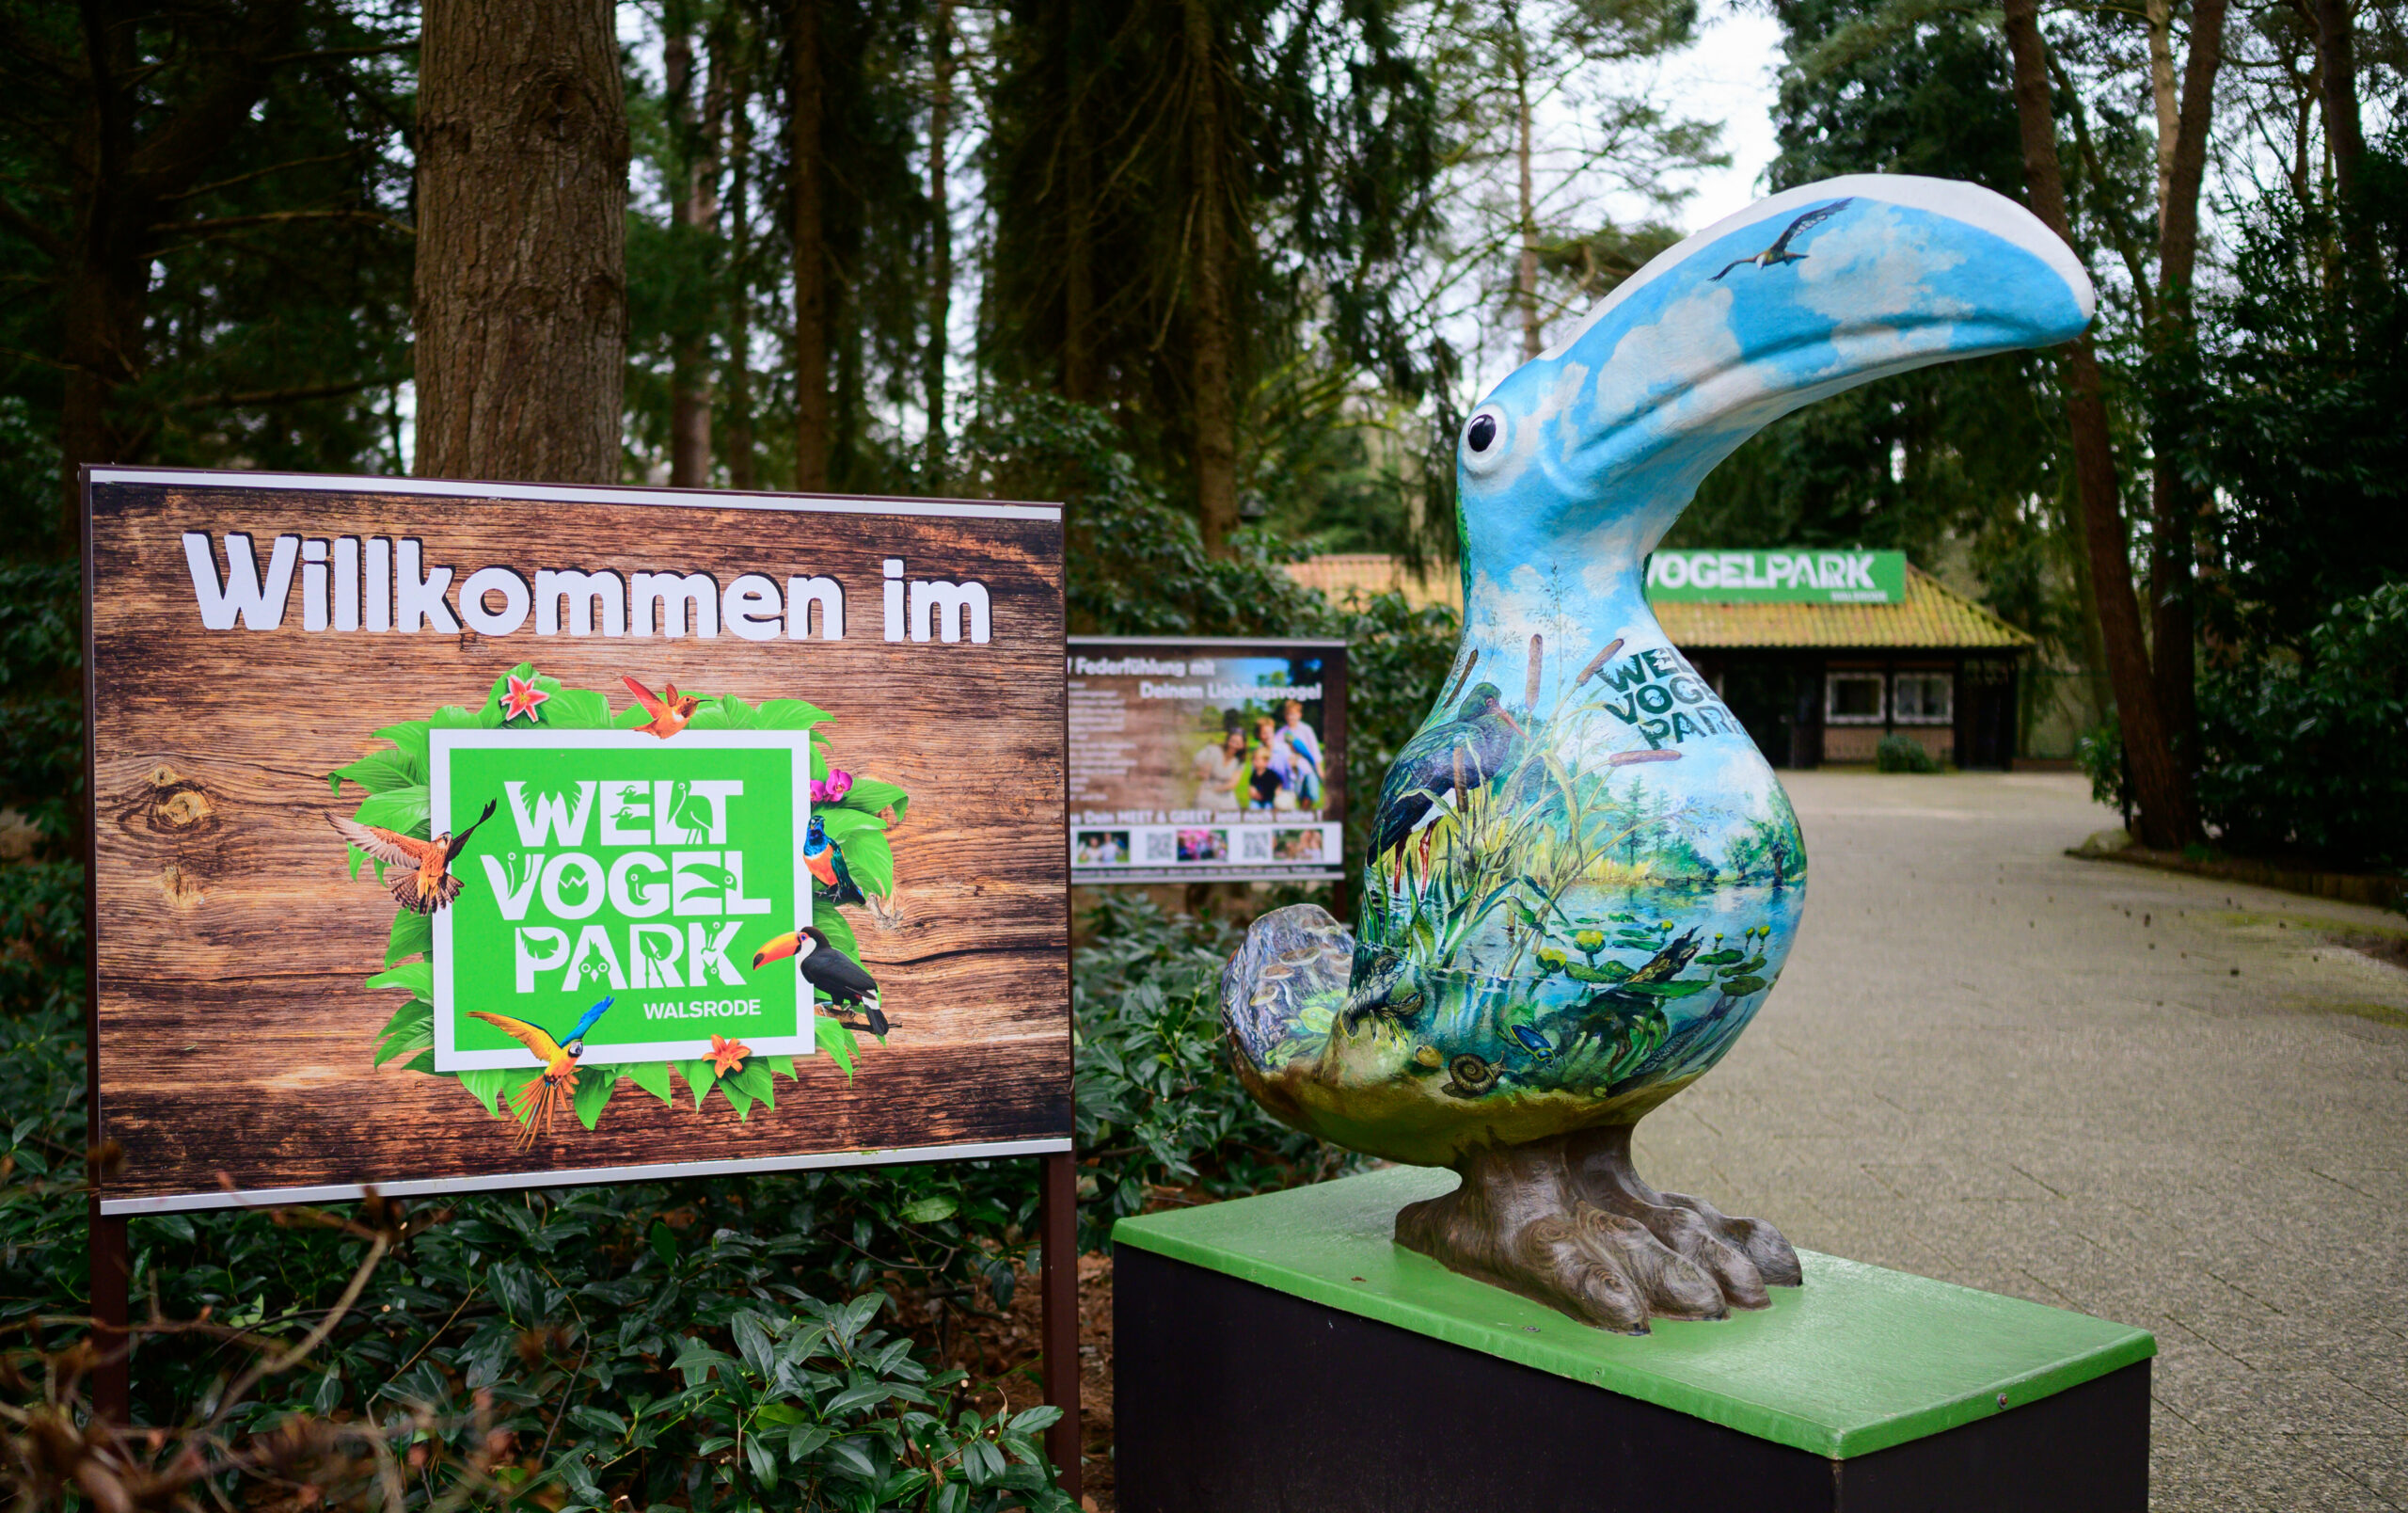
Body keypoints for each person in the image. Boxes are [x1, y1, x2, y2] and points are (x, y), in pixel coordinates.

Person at [1276, 699, 1323, 805]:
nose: (1291, 717)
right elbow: (1276, 749)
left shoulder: (1306, 729)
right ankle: (1302, 813)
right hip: (1293, 771)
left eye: (1293, 714)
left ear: (1299, 715)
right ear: (1285, 716)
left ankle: (1306, 812)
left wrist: (1319, 768)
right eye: (1288, 714)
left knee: (1312, 793)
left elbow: (1314, 750)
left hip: (1309, 768)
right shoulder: (1282, 733)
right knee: (1298, 794)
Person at [1191, 729, 1246, 810]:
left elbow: (1232, 784)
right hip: (1208, 787)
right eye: (1232, 741)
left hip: (1225, 793)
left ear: (1242, 745)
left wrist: (1215, 790)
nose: (1233, 745)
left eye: (1237, 743)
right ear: (1228, 740)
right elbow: (1204, 773)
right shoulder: (1215, 751)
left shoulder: (1239, 761)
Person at [1245, 744, 1283, 811]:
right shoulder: (1254, 774)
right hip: (1257, 799)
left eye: (1257, 760)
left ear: (1266, 762)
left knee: (1267, 807)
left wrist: (1277, 789)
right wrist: (1252, 791)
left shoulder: (1270, 774)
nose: (1254, 762)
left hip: (1269, 800)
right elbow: (1252, 786)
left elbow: (1279, 783)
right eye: (1253, 759)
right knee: (1253, 806)